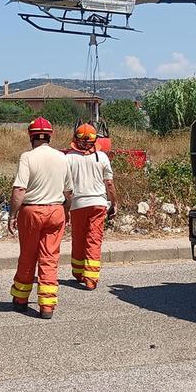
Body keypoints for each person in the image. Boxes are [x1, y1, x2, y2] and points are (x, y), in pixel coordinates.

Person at [9, 117, 69, 318]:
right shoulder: (62, 157)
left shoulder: (27, 157)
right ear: (49, 136)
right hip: (56, 211)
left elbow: (19, 189)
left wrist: (12, 215)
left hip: (32, 211)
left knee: (28, 256)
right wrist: (65, 212)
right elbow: (69, 192)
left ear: (31, 135)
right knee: (50, 258)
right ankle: (47, 306)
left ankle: (21, 299)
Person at [64, 123, 115, 291]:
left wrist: (65, 208)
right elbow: (109, 184)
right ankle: (91, 278)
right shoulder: (102, 157)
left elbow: (66, 189)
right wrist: (114, 203)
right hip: (98, 204)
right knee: (94, 240)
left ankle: (78, 272)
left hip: (77, 205)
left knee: (78, 238)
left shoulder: (68, 158)